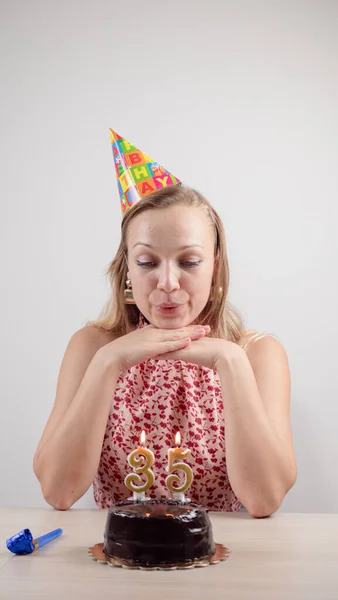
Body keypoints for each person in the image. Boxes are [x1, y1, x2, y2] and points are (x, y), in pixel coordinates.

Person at [33, 133, 297, 518]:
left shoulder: (258, 354)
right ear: (127, 270)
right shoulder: (92, 347)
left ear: (215, 266)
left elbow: (264, 500)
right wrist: (109, 361)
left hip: (219, 566)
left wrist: (231, 362)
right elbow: (58, 492)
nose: (168, 283)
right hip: (117, 564)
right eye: (147, 262)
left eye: (189, 262)